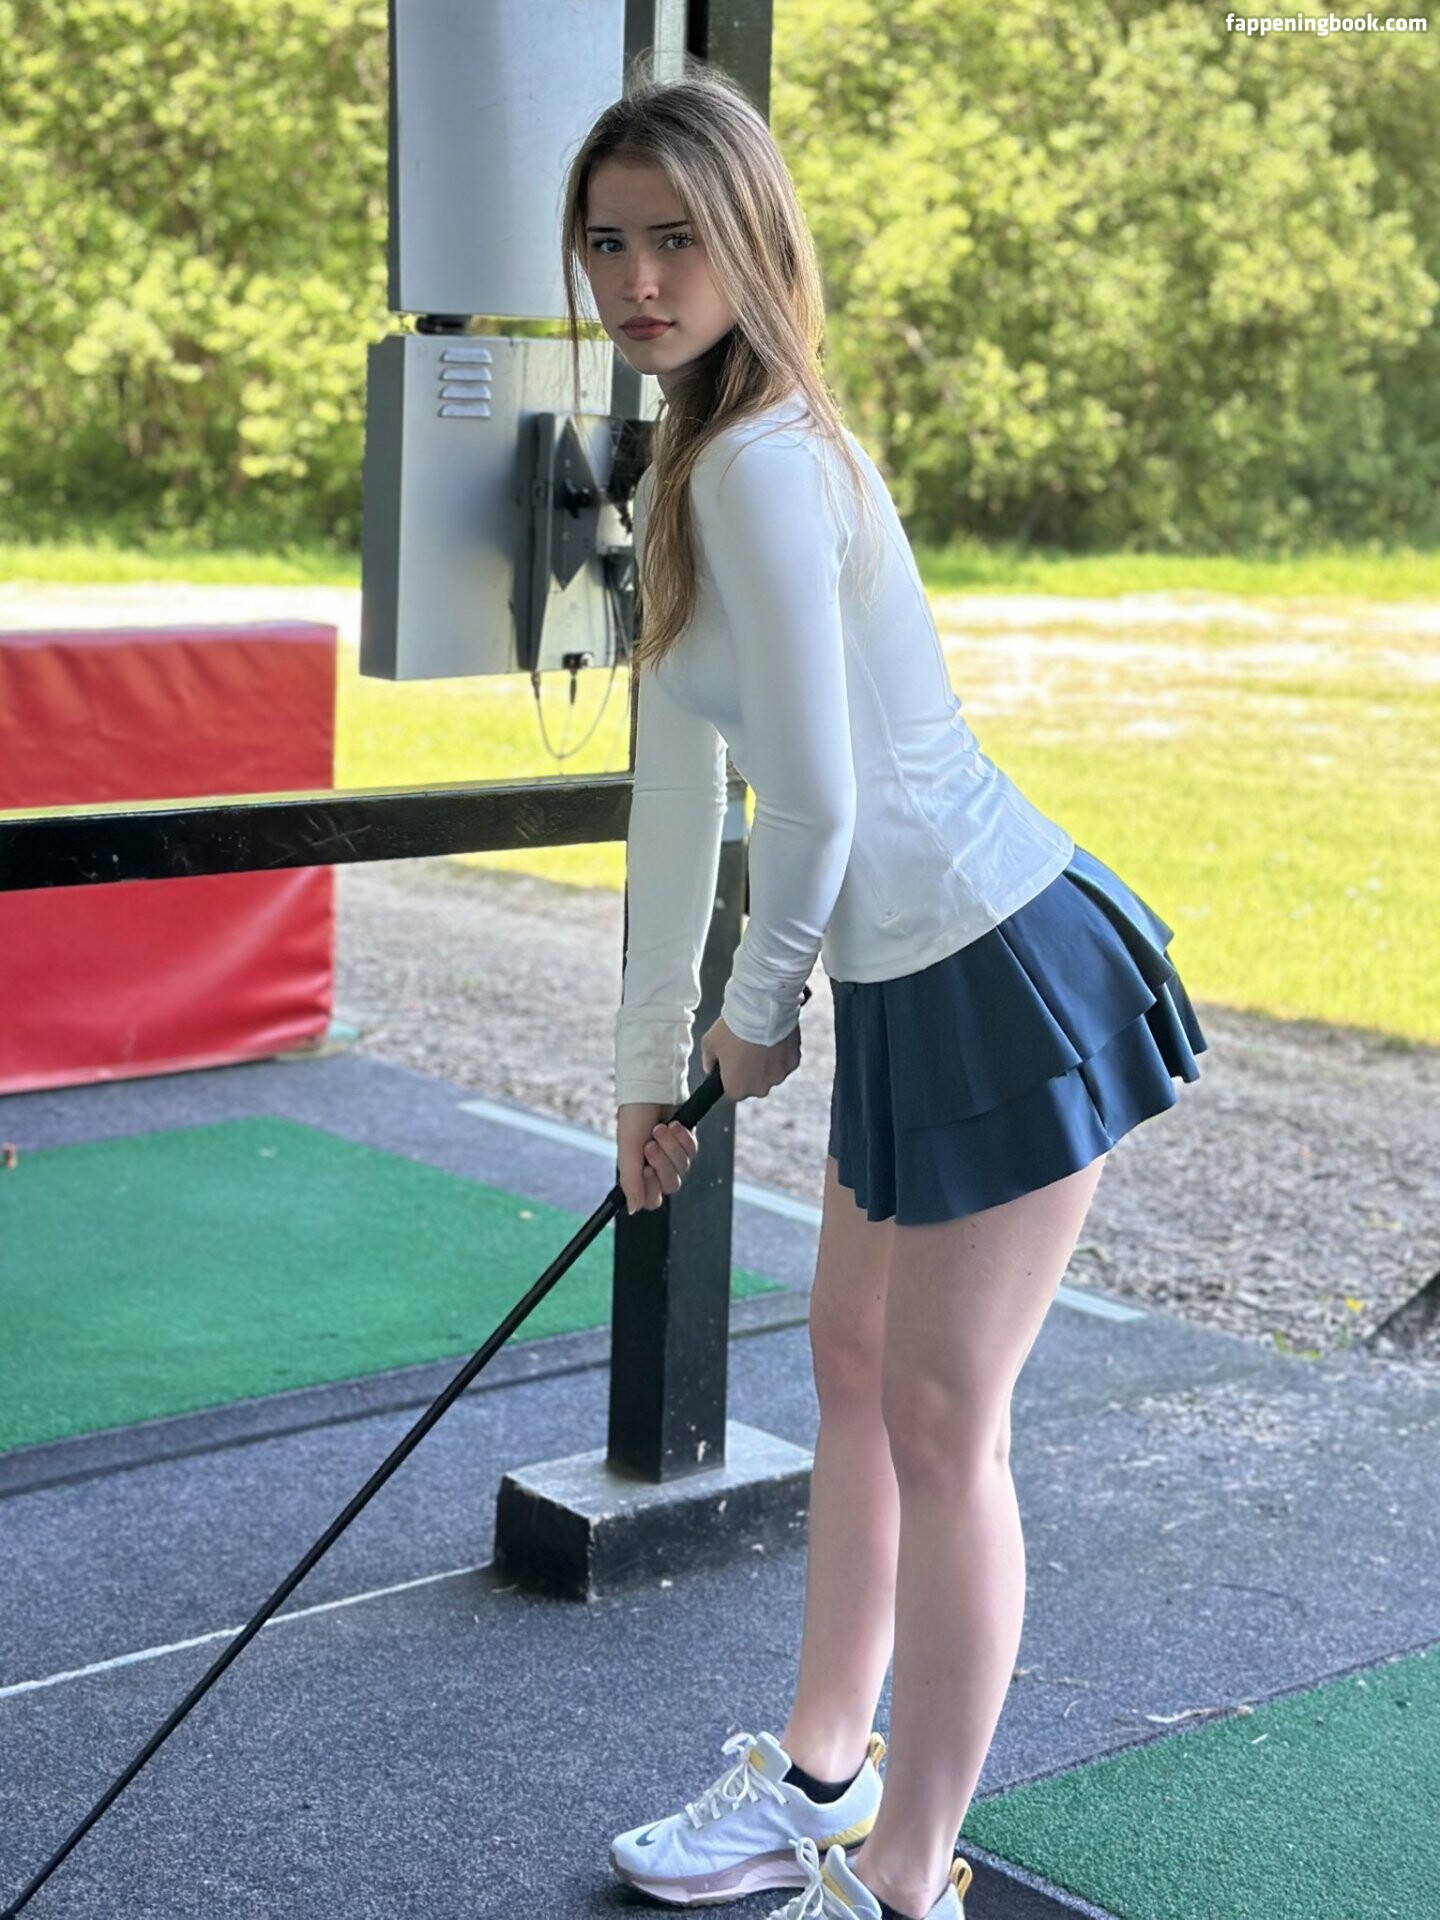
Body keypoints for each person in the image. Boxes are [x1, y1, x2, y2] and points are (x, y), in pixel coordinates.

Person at [560, 57, 1208, 1920]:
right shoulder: (688, 467)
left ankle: (908, 1881)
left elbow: (823, 802)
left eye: (678, 239)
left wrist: (756, 1014)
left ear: (753, 240)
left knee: (939, 1419)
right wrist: (650, 1068)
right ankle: (820, 1782)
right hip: (911, 982)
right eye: (607, 243)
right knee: (851, 1366)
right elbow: (677, 791)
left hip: (1001, 963)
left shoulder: (770, 460)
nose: (639, 280)